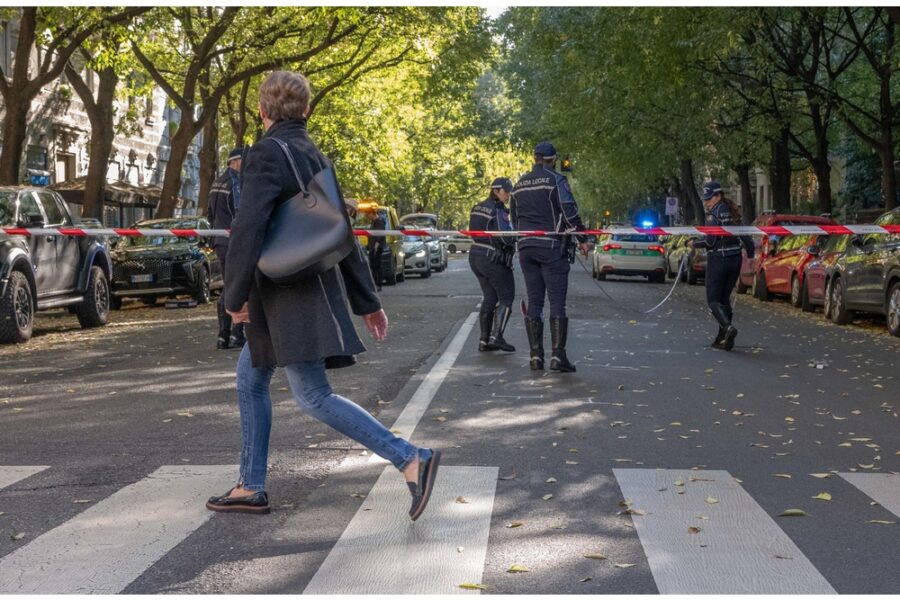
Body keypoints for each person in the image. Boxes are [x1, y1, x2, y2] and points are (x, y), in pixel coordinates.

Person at [207, 71, 440, 521]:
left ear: (262, 110)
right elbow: (341, 232)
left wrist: (232, 296)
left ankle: (410, 458)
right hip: (306, 290)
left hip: (286, 297)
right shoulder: (314, 154)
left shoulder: (263, 154)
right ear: (308, 109)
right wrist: (367, 300)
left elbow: (247, 230)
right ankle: (250, 485)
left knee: (313, 395)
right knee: (251, 379)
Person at [510, 142, 589, 373]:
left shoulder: (519, 184)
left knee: (534, 300)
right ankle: (558, 356)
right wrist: (582, 237)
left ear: (535, 158)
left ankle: (535, 357)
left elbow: (513, 218)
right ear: (553, 159)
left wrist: (524, 237)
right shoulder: (556, 180)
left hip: (526, 248)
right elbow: (568, 210)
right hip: (551, 247)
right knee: (556, 301)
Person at [688, 181, 754, 351]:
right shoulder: (733, 212)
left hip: (719, 259)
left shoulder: (713, 215)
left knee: (713, 301)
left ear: (718, 196)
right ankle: (722, 338)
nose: (706, 202)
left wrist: (694, 243)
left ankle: (728, 328)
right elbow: (746, 237)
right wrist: (751, 255)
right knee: (725, 300)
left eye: (709, 199)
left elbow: (710, 241)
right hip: (735, 260)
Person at [468, 177, 517, 352]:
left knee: (490, 297)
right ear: (496, 191)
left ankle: (484, 340)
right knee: (507, 296)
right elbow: (505, 236)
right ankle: (497, 337)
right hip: (492, 256)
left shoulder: (477, 207)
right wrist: (516, 236)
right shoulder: (498, 210)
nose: (508, 195)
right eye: (506, 191)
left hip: (475, 255)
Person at [207, 147, 245, 350]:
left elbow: (209, 214)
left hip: (219, 240)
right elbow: (239, 212)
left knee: (228, 284)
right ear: (236, 161)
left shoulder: (216, 182)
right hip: (233, 242)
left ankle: (224, 335)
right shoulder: (235, 183)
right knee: (236, 286)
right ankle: (236, 335)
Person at [367, 211, 386, 292]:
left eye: (368, 215)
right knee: (373, 265)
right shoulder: (374, 222)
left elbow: (380, 234)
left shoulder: (379, 221)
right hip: (372, 247)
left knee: (376, 265)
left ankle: (378, 284)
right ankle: (375, 283)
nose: (367, 217)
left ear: (372, 213)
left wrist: (376, 245)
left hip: (376, 248)